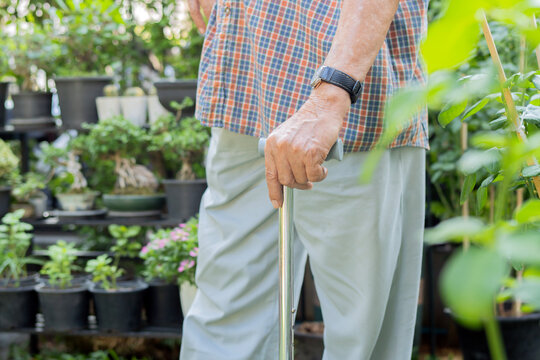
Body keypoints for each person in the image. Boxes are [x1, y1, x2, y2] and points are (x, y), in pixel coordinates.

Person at [181, 0, 428, 359]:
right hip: (244, 75)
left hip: (351, 97)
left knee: (359, 341)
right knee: (224, 323)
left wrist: (334, 93)